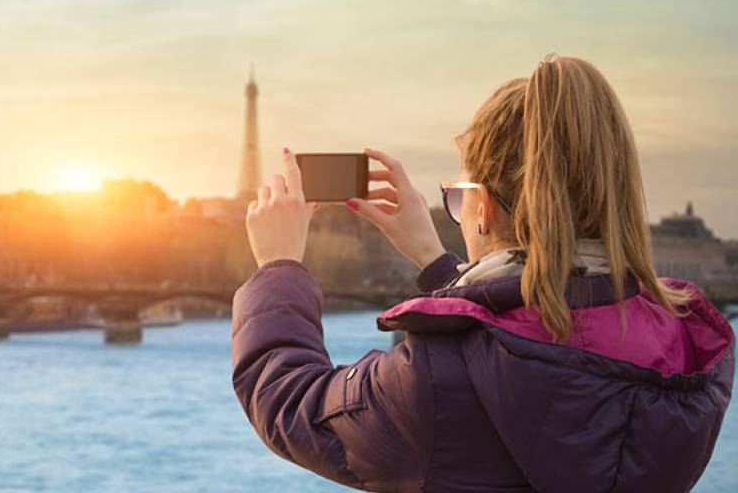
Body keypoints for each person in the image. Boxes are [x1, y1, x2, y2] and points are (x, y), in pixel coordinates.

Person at [230, 54, 735, 493]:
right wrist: (438, 268)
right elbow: (541, 333)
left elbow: (293, 406)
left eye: (457, 197)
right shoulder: (682, 341)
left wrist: (279, 267)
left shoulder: (434, 382)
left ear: (486, 208)